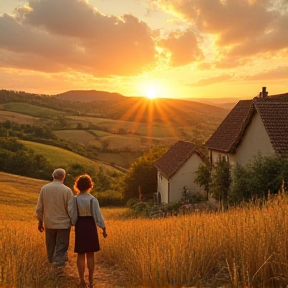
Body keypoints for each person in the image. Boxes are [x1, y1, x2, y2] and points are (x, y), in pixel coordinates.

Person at [71, 174, 107, 288]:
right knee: (90, 254)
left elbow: (72, 216)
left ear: (77, 186)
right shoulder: (93, 200)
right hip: (90, 225)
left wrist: (73, 223)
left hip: (80, 225)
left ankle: (82, 280)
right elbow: (98, 216)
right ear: (90, 185)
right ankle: (91, 280)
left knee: (81, 254)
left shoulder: (74, 199)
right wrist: (103, 228)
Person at [36, 168, 74, 267]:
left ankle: (51, 266)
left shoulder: (44, 189)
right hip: (63, 225)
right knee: (61, 247)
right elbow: (71, 209)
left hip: (49, 223)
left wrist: (40, 222)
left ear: (53, 176)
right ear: (63, 177)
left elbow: (39, 208)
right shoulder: (67, 190)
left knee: (50, 247)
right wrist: (73, 221)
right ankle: (58, 269)